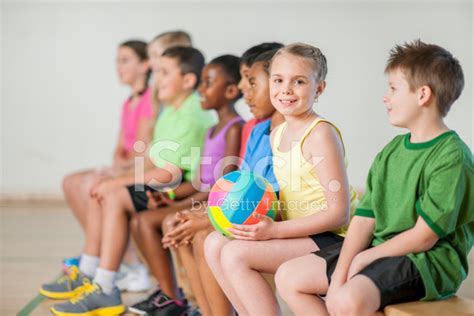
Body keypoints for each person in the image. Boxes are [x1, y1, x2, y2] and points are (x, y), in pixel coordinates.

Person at [275, 40, 472, 316]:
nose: (385, 97)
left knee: (345, 301)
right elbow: (365, 218)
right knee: (289, 277)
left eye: (393, 88)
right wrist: (343, 271)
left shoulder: (451, 156)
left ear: (423, 94)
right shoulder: (391, 151)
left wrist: (364, 258)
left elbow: (424, 238)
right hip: (382, 249)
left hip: (427, 262)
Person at [47, 46, 214, 316]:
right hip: (169, 179)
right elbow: (152, 160)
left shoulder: (191, 113)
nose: (157, 79)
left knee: (114, 195)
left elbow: (169, 172)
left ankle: (103, 284)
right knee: (109, 192)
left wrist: (117, 183)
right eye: (157, 72)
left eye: (164, 72)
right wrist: (119, 176)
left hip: (182, 187)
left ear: (188, 81)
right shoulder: (172, 109)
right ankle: (99, 278)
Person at [204, 43, 358, 315]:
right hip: (300, 232)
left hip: (333, 237)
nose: (285, 89)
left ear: (319, 88)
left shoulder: (320, 135)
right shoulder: (278, 134)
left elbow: (339, 214)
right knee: (215, 242)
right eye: (278, 80)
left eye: (298, 81)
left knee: (235, 254)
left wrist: (274, 231)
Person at [129, 54, 244, 316]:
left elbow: (223, 186)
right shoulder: (211, 130)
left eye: (207, 83)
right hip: (201, 197)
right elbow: (198, 181)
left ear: (229, 90)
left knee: (162, 222)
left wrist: (180, 204)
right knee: (143, 219)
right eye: (201, 82)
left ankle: (192, 303)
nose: (201, 90)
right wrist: (169, 196)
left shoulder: (234, 129)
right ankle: (188, 300)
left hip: (213, 202)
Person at [41, 39, 154, 299]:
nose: (118, 67)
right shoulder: (128, 103)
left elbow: (141, 150)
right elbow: (119, 148)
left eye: (125, 60)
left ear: (145, 64)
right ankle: (107, 255)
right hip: (126, 166)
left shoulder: (150, 101)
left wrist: (118, 170)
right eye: (117, 60)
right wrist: (115, 165)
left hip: (139, 170)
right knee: (71, 181)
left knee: (92, 184)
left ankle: (128, 264)